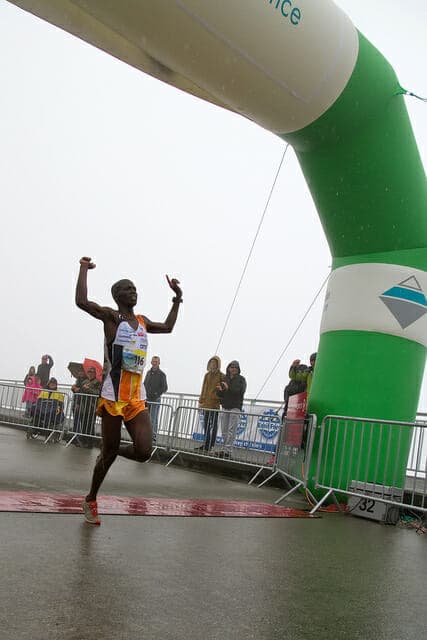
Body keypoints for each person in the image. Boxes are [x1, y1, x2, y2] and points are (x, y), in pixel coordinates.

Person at [75, 256, 182, 525]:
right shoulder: (111, 317)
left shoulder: (143, 322)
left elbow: (168, 327)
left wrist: (177, 299)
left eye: (135, 288)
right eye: (127, 288)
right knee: (106, 459)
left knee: (144, 451)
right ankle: (91, 498)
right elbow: (82, 302)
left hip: (136, 397)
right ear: (117, 295)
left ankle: (111, 450)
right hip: (113, 395)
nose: (133, 291)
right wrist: (83, 269)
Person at [215, 360, 246, 459]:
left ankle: (228, 451)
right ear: (228, 368)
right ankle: (224, 449)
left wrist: (228, 388)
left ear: (238, 369)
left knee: (231, 430)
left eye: (235, 367)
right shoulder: (225, 378)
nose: (233, 369)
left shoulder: (241, 379)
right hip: (225, 406)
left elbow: (239, 392)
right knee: (224, 429)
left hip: (235, 407)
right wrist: (219, 391)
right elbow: (221, 394)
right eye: (231, 367)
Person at [197, 356, 225, 452]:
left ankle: (211, 445)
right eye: (211, 362)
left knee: (213, 425)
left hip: (214, 405)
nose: (213, 364)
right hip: (206, 404)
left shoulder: (221, 375)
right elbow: (203, 388)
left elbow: (223, 390)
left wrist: (216, 397)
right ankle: (206, 443)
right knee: (205, 424)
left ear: (218, 364)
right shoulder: (207, 375)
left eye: (215, 362)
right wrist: (201, 400)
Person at [71, 366, 102, 447]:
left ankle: (90, 443)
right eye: (89, 372)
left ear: (95, 373)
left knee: (90, 425)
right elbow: (79, 392)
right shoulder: (84, 381)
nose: (90, 373)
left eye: (92, 372)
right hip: (83, 406)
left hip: (92, 407)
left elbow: (98, 393)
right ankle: (84, 442)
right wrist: (77, 403)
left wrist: (88, 389)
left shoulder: (98, 382)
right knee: (83, 424)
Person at [144, 356, 168, 442]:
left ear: (159, 363)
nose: (154, 363)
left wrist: (156, 393)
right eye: (153, 361)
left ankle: (153, 436)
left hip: (155, 399)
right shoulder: (148, 373)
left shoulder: (162, 374)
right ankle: (146, 434)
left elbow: (165, 387)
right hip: (146, 399)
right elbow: (144, 384)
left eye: (156, 361)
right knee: (145, 417)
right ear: (151, 362)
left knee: (153, 418)